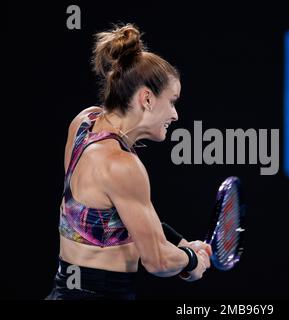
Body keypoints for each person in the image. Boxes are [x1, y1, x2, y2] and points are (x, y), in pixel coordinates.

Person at [46, 23, 211, 300]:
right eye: (172, 102)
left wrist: (182, 244)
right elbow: (157, 261)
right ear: (146, 98)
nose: (175, 115)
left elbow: (122, 218)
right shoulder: (123, 165)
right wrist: (192, 262)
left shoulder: (84, 123)